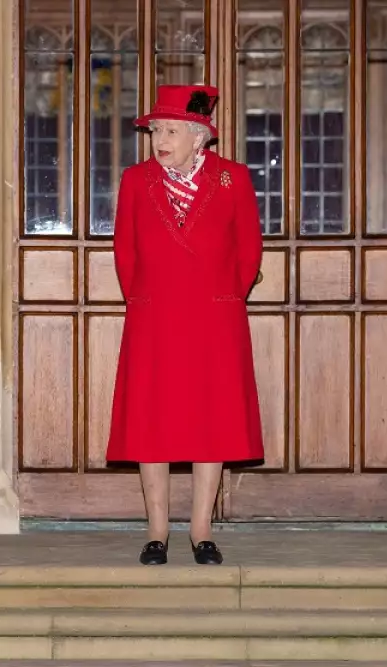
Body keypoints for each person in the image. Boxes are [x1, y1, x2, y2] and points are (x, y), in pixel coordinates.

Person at [106, 84, 264, 566]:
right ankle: (157, 531)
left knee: (212, 422)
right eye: (156, 130)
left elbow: (249, 250)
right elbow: (125, 250)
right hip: (154, 318)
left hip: (215, 319)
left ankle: (201, 530)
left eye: (171, 130)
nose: (160, 139)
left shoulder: (233, 179)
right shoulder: (136, 180)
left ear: (199, 136)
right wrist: (143, 299)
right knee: (150, 422)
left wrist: (224, 297)